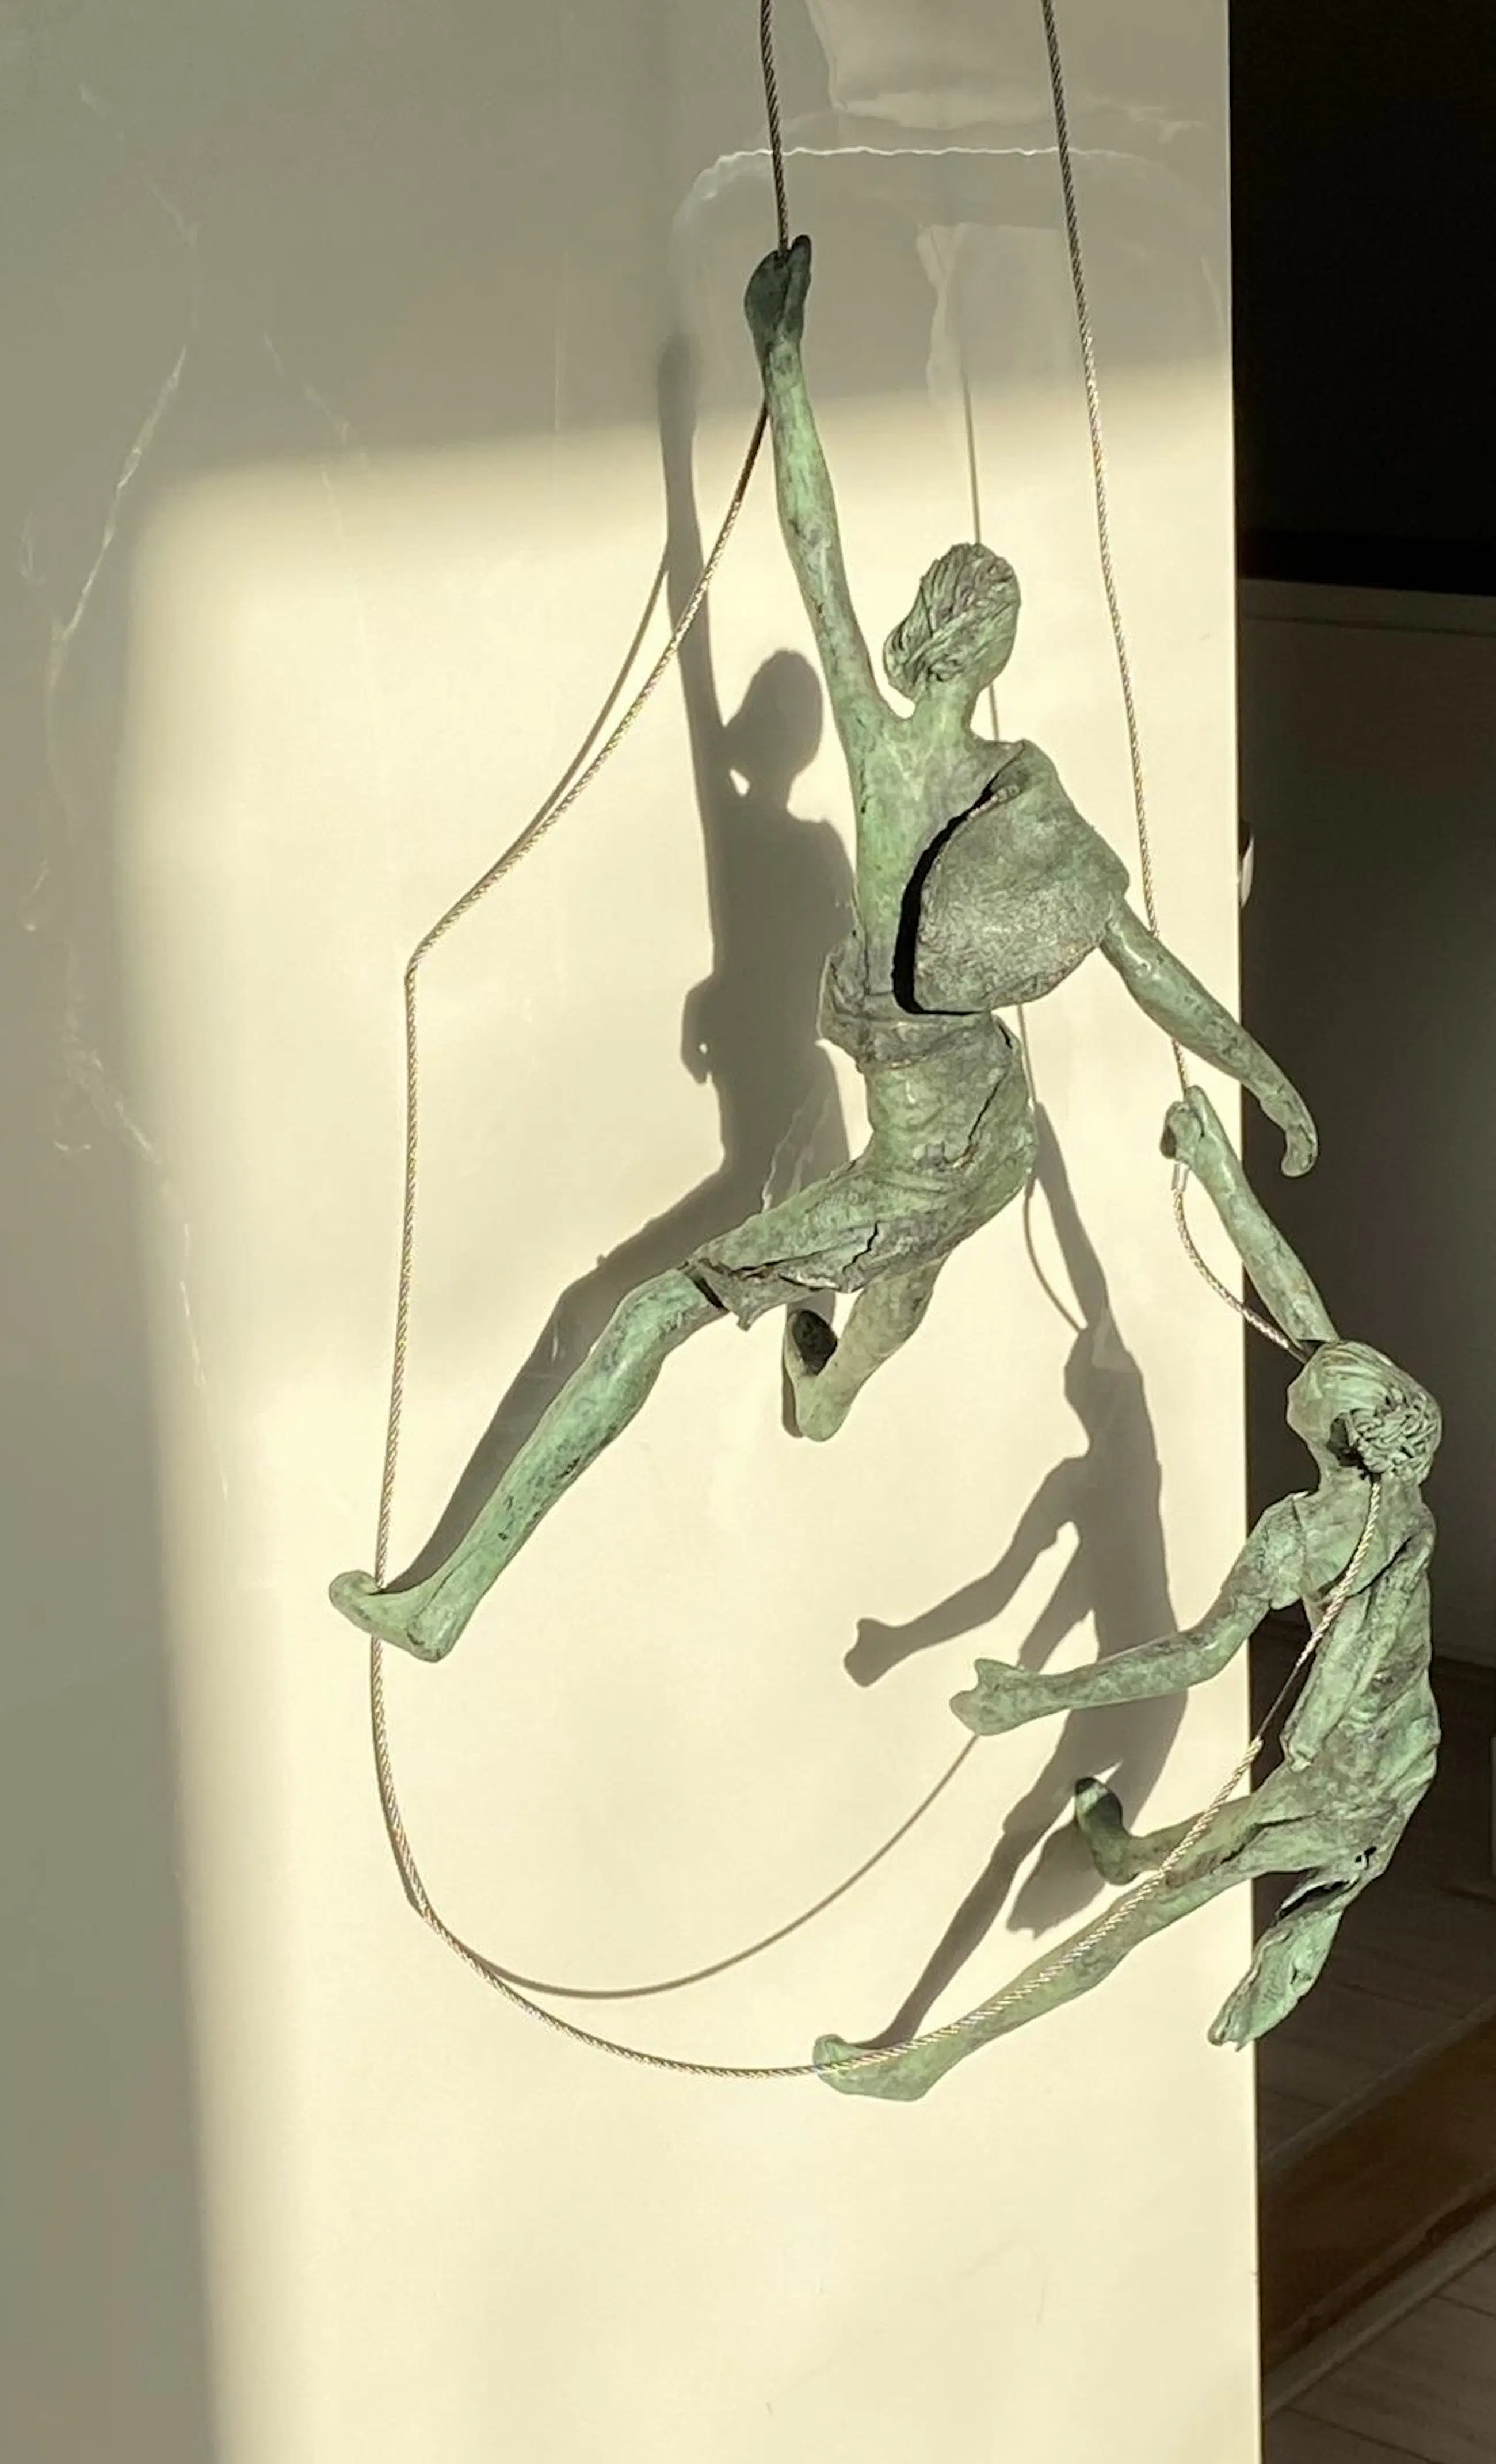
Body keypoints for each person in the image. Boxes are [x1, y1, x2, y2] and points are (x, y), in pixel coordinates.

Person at [330, 240, 1315, 1663]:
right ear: (996, 649)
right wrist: (1263, 1079)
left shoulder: (891, 760)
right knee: (901, 1273)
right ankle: (832, 1391)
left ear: (929, 634)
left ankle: (444, 1602)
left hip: (922, 1164)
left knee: (645, 1316)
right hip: (989, 1137)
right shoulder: (1017, 783)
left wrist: (779, 368)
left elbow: (816, 562)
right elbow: (1143, 959)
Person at [815, 1086, 1440, 2102]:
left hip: (1342, 1789)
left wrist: (1039, 1695)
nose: (1307, 1363)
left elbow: (1198, 1654)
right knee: (1166, 1865)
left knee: (1133, 1924)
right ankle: (1121, 1848)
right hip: (1401, 1745)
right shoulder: (1393, 1475)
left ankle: (923, 2060)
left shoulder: (1301, 1536)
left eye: (1319, 1380)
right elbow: (1291, 1292)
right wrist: (1214, 1166)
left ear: (1338, 1434)